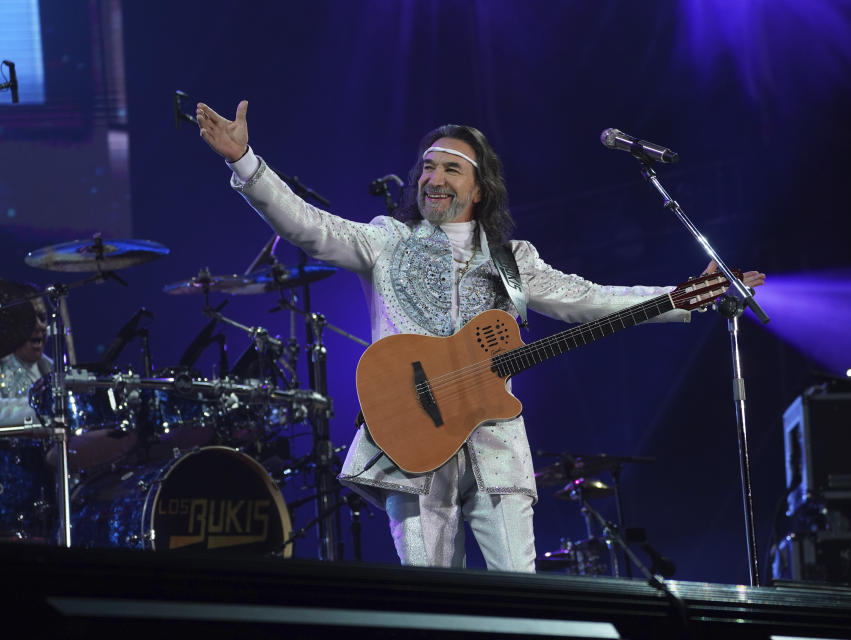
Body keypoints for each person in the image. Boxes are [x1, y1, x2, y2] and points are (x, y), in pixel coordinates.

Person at [196, 101, 766, 572]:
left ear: (479, 186)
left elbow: (588, 299)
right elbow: (308, 227)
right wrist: (246, 162)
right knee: (433, 611)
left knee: (523, 601)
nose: (433, 179)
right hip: (410, 447)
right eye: (426, 167)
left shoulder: (514, 261)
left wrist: (677, 296)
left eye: (450, 169)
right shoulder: (386, 240)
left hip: (497, 450)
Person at [0, 281, 51, 426]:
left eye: (42, 318)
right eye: (30, 319)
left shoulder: (54, 370)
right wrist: (53, 407)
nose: (39, 325)